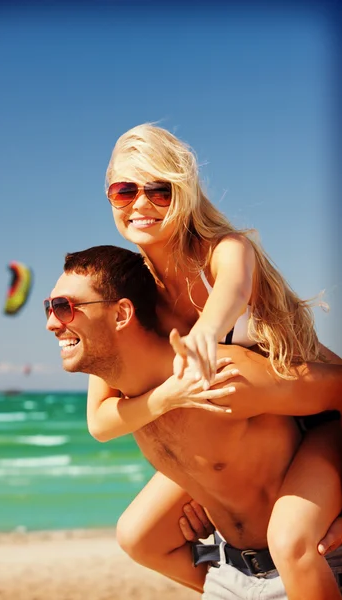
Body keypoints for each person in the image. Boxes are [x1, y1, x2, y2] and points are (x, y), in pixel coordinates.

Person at [85, 123, 342, 599]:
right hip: (249, 437)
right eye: (124, 191)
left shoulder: (226, 250)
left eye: (158, 191)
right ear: (110, 197)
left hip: (320, 418)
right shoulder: (129, 286)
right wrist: (206, 487)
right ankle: (237, 585)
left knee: (291, 541)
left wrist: (204, 334)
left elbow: (232, 292)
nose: (139, 205)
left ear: (182, 193)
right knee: (139, 535)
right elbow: (101, 419)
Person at [45, 244, 342, 599]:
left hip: (310, 565)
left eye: (64, 308)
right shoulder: (128, 399)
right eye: (49, 308)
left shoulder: (220, 376)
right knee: (136, 535)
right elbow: (98, 425)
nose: (51, 323)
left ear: (122, 314)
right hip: (229, 575)